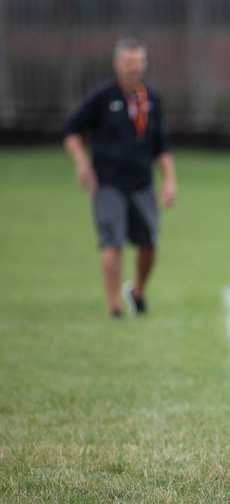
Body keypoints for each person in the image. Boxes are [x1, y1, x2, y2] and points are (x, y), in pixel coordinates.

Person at [63, 38, 176, 318]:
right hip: (109, 183)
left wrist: (170, 179)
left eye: (138, 61)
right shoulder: (102, 97)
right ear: (117, 64)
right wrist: (82, 164)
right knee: (111, 242)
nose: (133, 67)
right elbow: (71, 131)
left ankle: (136, 291)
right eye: (128, 61)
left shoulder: (151, 98)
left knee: (149, 243)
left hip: (142, 183)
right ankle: (114, 306)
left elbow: (161, 145)